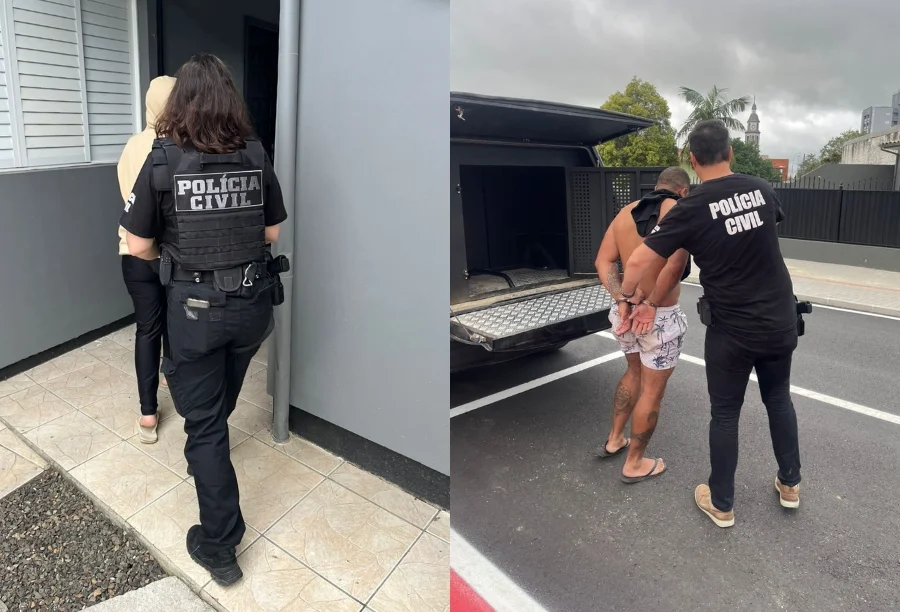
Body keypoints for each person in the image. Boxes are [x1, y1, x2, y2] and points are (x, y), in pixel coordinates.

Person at [119, 54, 287, 585]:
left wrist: (172, 259)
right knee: (216, 404)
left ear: (181, 102)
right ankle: (207, 447)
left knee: (206, 425)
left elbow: (137, 244)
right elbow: (272, 233)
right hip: (252, 308)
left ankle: (218, 546)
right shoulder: (255, 152)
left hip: (195, 312)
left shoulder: (163, 158)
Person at [619, 120, 801, 528]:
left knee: (725, 414)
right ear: (731, 152)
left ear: (693, 159)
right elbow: (764, 229)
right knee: (779, 400)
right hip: (779, 320)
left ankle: (722, 503)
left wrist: (630, 299)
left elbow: (639, 261)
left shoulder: (691, 207)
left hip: (731, 329)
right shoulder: (762, 188)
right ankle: (790, 483)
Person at [594, 167, 691, 483]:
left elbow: (603, 260)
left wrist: (621, 297)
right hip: (656, 315)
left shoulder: (626, 212)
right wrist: (650, 303)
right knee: (652, 389)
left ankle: (614, 439)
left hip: (623, 311)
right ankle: (634, 463)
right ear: (683, 191)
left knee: (633, 372)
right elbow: (675, 266)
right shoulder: (678, 211)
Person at [117, 76, 176, 444]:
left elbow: (130, 200)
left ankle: (148, 414)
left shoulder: (131, 146)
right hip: (170, 254)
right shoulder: (179, 147)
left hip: (133, 252)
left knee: (147, 328)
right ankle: (174, 378)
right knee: (176, 321)